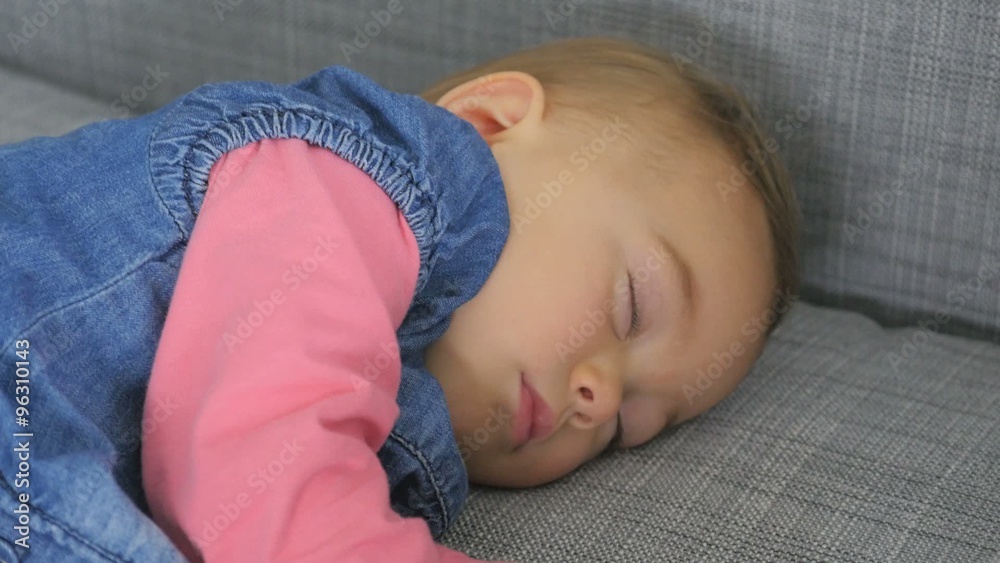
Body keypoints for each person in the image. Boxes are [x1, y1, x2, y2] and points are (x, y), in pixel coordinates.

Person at [0, 37, 799, 562]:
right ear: (488, 121)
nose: (601, 394)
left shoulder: (397, 439)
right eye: (631, 304)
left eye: (630, 425)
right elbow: (258, 458)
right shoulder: (361, 179)